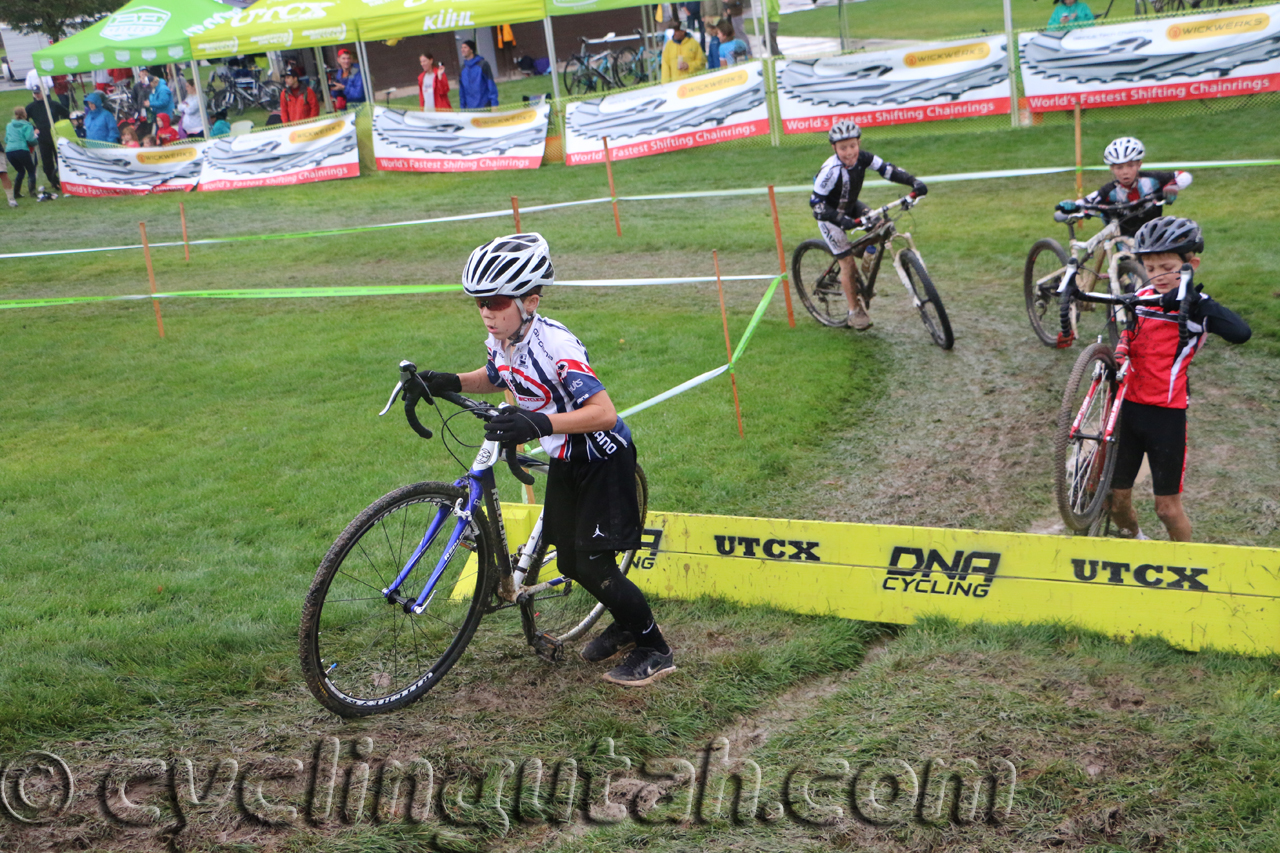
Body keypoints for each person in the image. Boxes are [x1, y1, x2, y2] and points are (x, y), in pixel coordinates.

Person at [418, 233, 677, 687]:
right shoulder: (503, 338)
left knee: (594, 565)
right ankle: (623, 625)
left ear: (530, 300)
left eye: (496, 301)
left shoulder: (557, 346)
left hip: (602, 457)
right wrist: (446, 381)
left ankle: (655, 647)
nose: (486, 311)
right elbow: (496, 376)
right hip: (565, 460)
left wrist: (538, 425)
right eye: (479, 301)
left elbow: (603, 413)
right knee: (571, 563)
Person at [1106, 217, 1250, 542]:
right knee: (1115, 500)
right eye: (1151, 267)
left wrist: (1196, 303)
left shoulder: (1197, 308)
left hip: (1165, 415)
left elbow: (1241, 333)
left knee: (1167, 509)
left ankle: (1186, 564)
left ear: (1191, 264)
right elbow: (1127, 330)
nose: (1158, 275)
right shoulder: (1142, 295)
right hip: (1127, 410)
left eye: (1167, 267)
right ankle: (1134, 542)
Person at [809, 118, 927, 330]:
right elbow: (816, 203)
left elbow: (888, 170)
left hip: (852, 206)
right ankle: (854, 310)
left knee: (881, 227)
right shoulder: (830, 170)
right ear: (834, 148)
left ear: (859, 143)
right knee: (847, 263)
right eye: (843, 148)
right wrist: (839, 219)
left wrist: (913, 182)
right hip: (830, 217)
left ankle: (864, 252)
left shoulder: (863, 158)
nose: (849, 152)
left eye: (853, 146)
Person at [1057, 137, 1192, 238]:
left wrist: (1173, 186)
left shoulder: (1152, 179)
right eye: (1119, 167)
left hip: (1153, 232)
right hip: (1123, 237)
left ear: (1139, 164)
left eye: (1130, 166)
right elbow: (1088, 201)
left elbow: (1184, 176)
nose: (1125, 172)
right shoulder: (1109, 191)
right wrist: (1072, 205)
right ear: (1111, 168)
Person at [25, 85, 68, 193]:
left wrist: (61, 126)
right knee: (47, 162)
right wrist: (33, 128)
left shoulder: (53, 104)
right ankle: (54, 181)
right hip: (42, 138)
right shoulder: (31, 107)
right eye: (35, 93)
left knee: (60, 160)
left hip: (56, 136)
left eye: (38, 92)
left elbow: (66, 114)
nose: (37, 95)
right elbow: (24, 120)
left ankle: (65, 181)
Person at [5, 106, 38, 200]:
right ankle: (32, 191)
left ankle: (16, 192)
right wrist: (36, 141)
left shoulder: (9, 125)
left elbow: (6, 139)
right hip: (22, 149)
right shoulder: (27, 125)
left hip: (10, 151)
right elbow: (30, 139)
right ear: (25, 115)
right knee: (31, 170)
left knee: (20, 171)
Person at [661, 18, 707, 84]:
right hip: (675, 85)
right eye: (674, 31)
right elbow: (665, 66)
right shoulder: (669, 45)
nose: (675, 33)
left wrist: (689, 65)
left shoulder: (694, 44)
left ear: (684, 31)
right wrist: (665, 84)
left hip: (691, 84)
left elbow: (702, 63)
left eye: (677, 31)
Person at [458, 40, 499, 109]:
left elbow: (491, 84)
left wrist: (494, 104)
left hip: (484, 106)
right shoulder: (463, 68)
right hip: (470, 108)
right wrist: (462, 107)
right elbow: (462, 90)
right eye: (462, 48)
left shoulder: (483, 65)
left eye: (465, 47)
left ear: (471, 50)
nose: (462, 50)